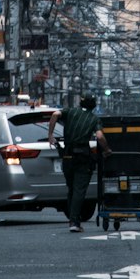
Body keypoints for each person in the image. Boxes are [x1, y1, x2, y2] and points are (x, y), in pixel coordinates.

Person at [47, 96, 111, 232]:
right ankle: (74, 222)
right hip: (82, 157)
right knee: (79, 190)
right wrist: (107, 150)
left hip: (67, 155)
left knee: (71, 188)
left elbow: (55, 114)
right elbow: (99, 136)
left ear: (80, 103)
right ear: (93, 107)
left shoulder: (70, 112)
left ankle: (72, 218)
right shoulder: (93, 119)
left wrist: (50, 135)